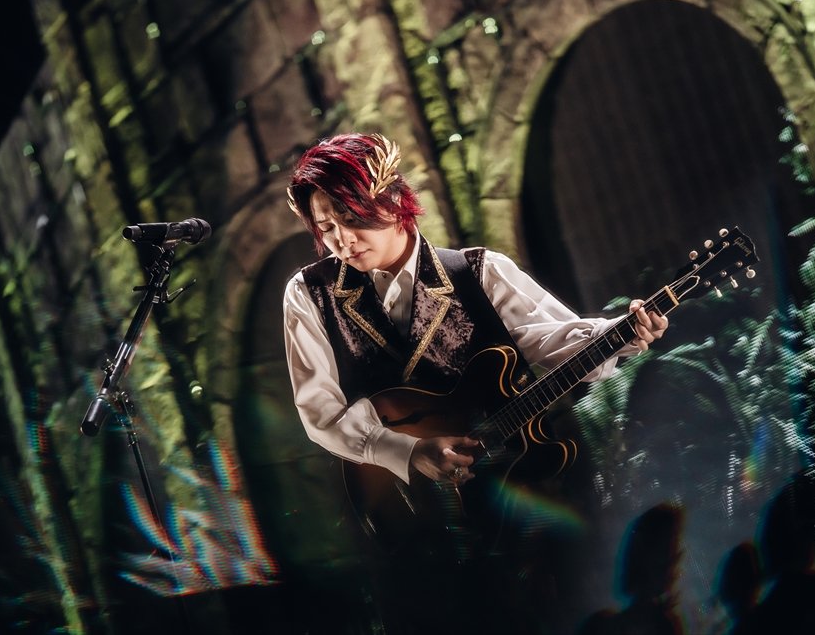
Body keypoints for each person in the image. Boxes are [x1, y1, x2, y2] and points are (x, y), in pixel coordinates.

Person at [282, 132, 668, 633]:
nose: (340, 240)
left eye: (351, 218)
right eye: (326, 227)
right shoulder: (309, 295)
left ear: (394, 200)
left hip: (523, 517)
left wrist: (622, 333)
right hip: (411, 535)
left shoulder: (479, 272)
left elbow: (558, 342)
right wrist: (407, 452)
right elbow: (318, 412)